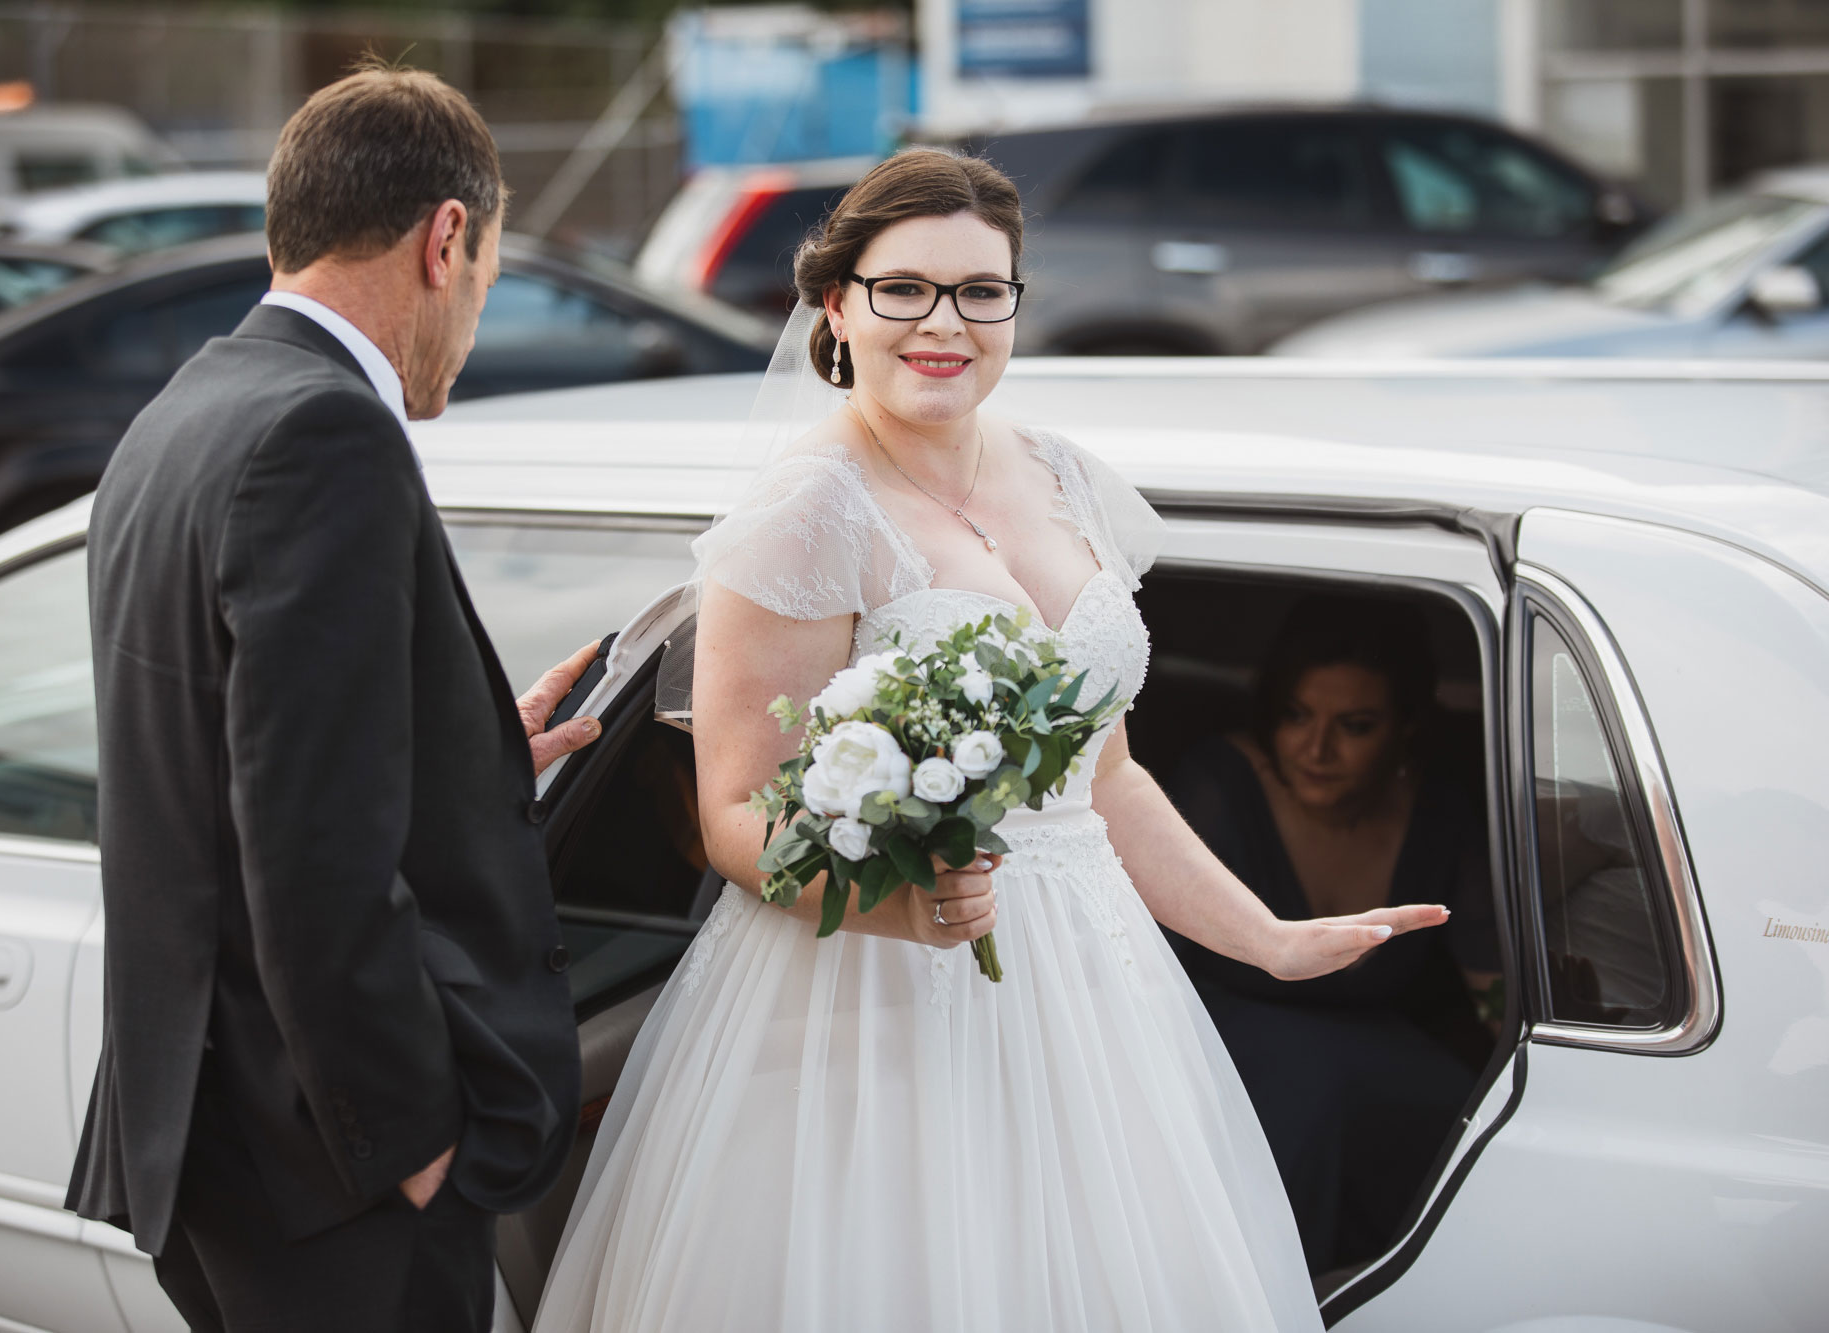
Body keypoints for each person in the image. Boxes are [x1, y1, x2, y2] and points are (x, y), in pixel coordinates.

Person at [532, 149, 1448, 1333]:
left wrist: (1264, 940)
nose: (943, 323)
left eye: (980, 290)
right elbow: (735, 813)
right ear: (836, 307)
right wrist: (899, 905)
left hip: (1093, 985)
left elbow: (1103, 775)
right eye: (903, 288)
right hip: (870, 994)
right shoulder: (807, 511)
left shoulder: (1067, 475)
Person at [66, 61, 602, 1333]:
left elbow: (234, 756)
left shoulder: (183, 411)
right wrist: (408, 1145)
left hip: (212, 1136)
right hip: (334, 1174)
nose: (472, 317)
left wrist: (469, 755)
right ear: (448, 237)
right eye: (484, 276)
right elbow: (306, 851)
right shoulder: (327, 434)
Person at [1163, 595, 1501, 1273]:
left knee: (1471, 1123)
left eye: (1356, 725)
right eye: (1295, 715)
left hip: (1375, 1059)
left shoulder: (1439, 814)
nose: (1316, 749)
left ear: (1406, 727)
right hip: (1217, 1049)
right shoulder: (1215, 788)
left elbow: (1491, 988)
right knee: (1306, 1086)